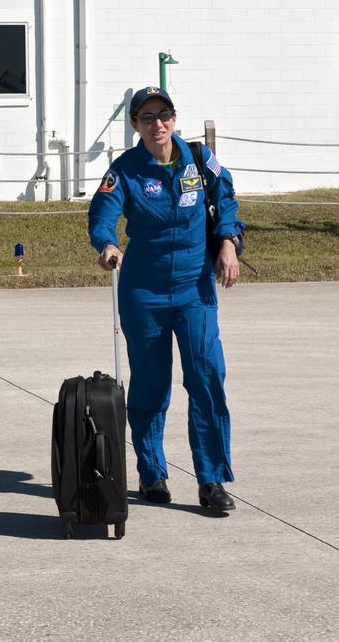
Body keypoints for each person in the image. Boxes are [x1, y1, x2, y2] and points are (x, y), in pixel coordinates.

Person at [88, 86, 243, 513]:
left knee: (207, 380)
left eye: (164, 114)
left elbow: (226, 198)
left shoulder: (197, 159)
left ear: (174, 118)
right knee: (151, 389)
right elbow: (101, 216)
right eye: (147, 117)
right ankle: (152, 472)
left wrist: (228, 242)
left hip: (195, 291)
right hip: (145, 293)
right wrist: (107, 244)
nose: (158, 124)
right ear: (135, 124)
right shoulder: (124, 171)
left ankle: (211, 480)